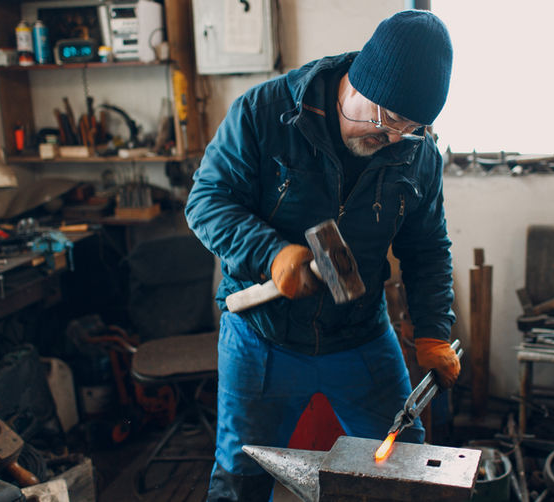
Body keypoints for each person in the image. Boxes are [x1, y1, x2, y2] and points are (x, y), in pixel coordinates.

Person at [184, 9, 460, 501]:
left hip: (360, 335)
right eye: (390, 119)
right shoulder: (265, 113)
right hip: (261, 336)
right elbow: (206, 202)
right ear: (358, 82)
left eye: (414, 126)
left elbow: (427, 248)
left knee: (411, 467)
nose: (396, 138)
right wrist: (270, 254)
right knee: (240, 474)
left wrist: (434, 330)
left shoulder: (416, 153)